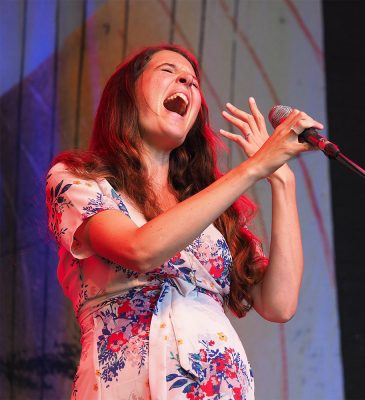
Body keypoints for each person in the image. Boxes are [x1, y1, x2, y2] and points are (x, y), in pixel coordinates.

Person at [45, 44, 323, 399]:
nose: (187, 80)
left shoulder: (210, 213)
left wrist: (282, 180)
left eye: (193, 80)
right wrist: (254, 167)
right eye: (167, 70)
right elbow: (139, 249)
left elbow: (279, 303)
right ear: (127, 95)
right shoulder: (79, 180)